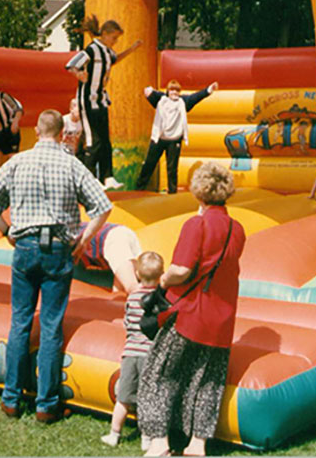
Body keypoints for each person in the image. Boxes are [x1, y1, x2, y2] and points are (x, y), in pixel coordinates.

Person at [0, 109, 114, 422]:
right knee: (51, 326)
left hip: (24, 246)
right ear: (62, 132)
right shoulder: (71, 164)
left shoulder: (16, 162)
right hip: (58, 248)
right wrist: (83, 239)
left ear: (37, 130)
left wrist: (5, 230)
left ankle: (11, 398)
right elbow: (103, 207)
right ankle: (46, 403)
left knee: (20, 320)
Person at [138, 162, 246, 457]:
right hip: (221, 320)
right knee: (207, 381)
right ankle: (197, 445)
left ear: (199, 192)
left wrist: (162, 280)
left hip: (188, 314)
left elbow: (182, 269)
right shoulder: (237, 229)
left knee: (160, 374)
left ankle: (159, 443)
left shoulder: (196, 225)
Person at [68, 14, 143, 190]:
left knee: (105, 140)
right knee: (94, 141)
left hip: (101, 101)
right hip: (88, 101)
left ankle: (107, 176)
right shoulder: (92, 49)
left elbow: (115, 59)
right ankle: (88, 179)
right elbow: (71, 64)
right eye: (114, 38)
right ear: (105, 34)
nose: (115, 42)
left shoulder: (108, 52)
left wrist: (132, 49)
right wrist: (79, 74)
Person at [101, 251, 166, 448]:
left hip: (130, 353)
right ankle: (147, 438)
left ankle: (114, 433)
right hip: (150, 354)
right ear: (161, 275)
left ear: (137, 274)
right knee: (148, 398)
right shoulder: (160, 299)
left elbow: (128, 323)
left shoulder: (132, 297)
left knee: (123, 397)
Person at [136, 80, 219, 194]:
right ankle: (139, 189)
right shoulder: (162, 100)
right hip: (159, 138)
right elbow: (150, 93)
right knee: (149, 164)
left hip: (174, 140)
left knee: (172, 169)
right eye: (172, 90)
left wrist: (208, 90)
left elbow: (196, 97)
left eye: (177, 90)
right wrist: (148, 90)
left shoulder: (183, 102)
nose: (174, 92)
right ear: (168, 91)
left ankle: (172, 192)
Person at [74, 218, 143, 292]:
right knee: (120, 288)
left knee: (131, 286)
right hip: (120, 233)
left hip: (112, 238)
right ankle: (146, 277)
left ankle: (136, 287)